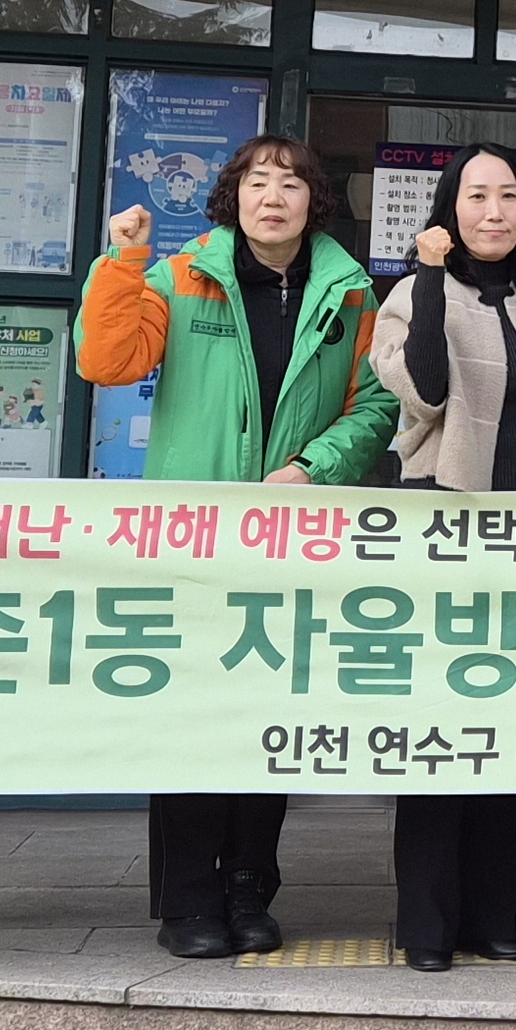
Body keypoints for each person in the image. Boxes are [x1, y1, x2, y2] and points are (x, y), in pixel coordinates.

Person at [77, 134, 400, 961]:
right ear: (233, 197)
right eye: (258, 181)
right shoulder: (183, 275)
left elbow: (374, 410)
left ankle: (251, 887)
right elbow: (107, 359)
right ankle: (188, 898)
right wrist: (120, 264)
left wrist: (312, 468)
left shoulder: (350, 294)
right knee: (193, 721)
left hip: (295, 537)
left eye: (292, 183)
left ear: (313, 202)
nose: (274, 196)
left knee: (271, 719)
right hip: (194, 541)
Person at [367, 144, 516, 971]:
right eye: (475, 196)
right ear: (448, 206)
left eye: (508, 196)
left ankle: (496, 913)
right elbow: (425, 390)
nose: (493, 211)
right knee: (441, 731)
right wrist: (428, 277)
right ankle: (427, 925)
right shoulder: (409, 296)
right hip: (445, 535)